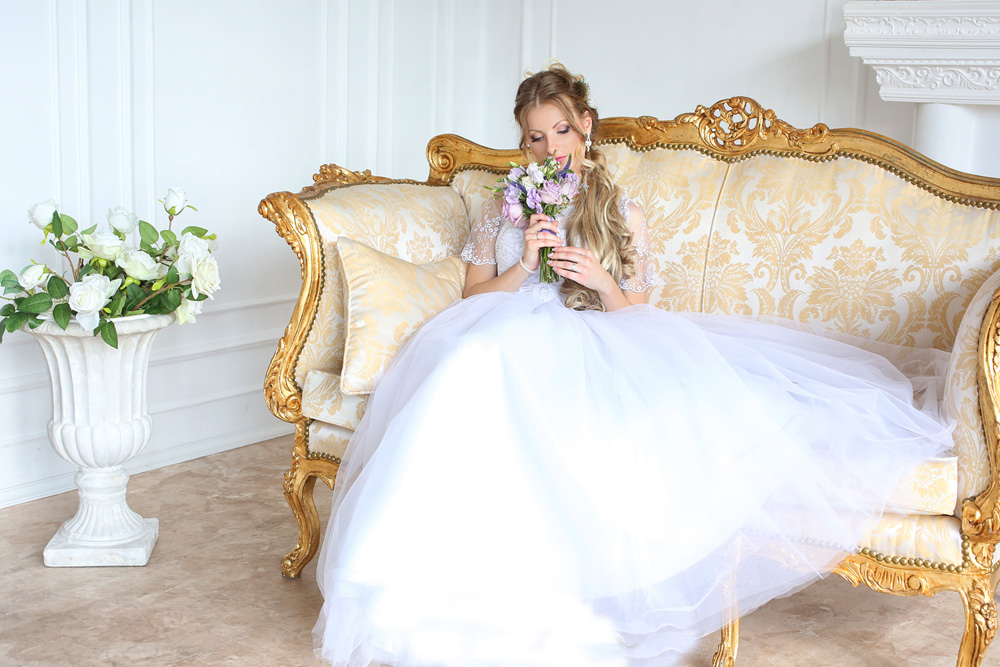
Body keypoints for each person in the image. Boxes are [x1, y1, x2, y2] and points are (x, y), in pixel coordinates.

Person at [312, 64, 954, 666]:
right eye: (535, 138)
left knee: (526, 378)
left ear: (585, 124)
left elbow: (637, 313)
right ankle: (423, 571)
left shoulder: (621, 211)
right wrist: (523, 263)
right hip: (501, 324)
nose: (550, 148)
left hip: (591, 335)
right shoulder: (505, 203)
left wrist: (598, 279)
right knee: (472, 359)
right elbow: (472, 296)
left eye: (561, 131)